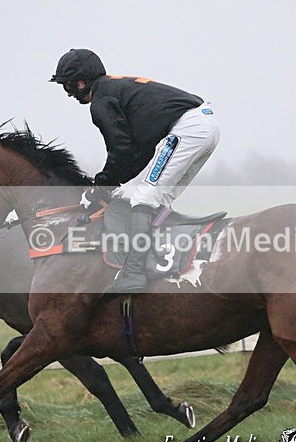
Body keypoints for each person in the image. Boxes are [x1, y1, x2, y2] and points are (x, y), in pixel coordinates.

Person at [50, 49, 221, 295]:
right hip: (204, 125)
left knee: (145, 197)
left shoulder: (101, 102)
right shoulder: (112, 89)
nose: (67, 93)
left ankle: (133, 272)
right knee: (151, 196)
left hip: (189, 128)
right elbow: (135, 154)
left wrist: (99, 187)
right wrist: (110, 186)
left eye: (67, 85)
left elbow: (120, 152)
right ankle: (156, 258)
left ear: (81, 81)